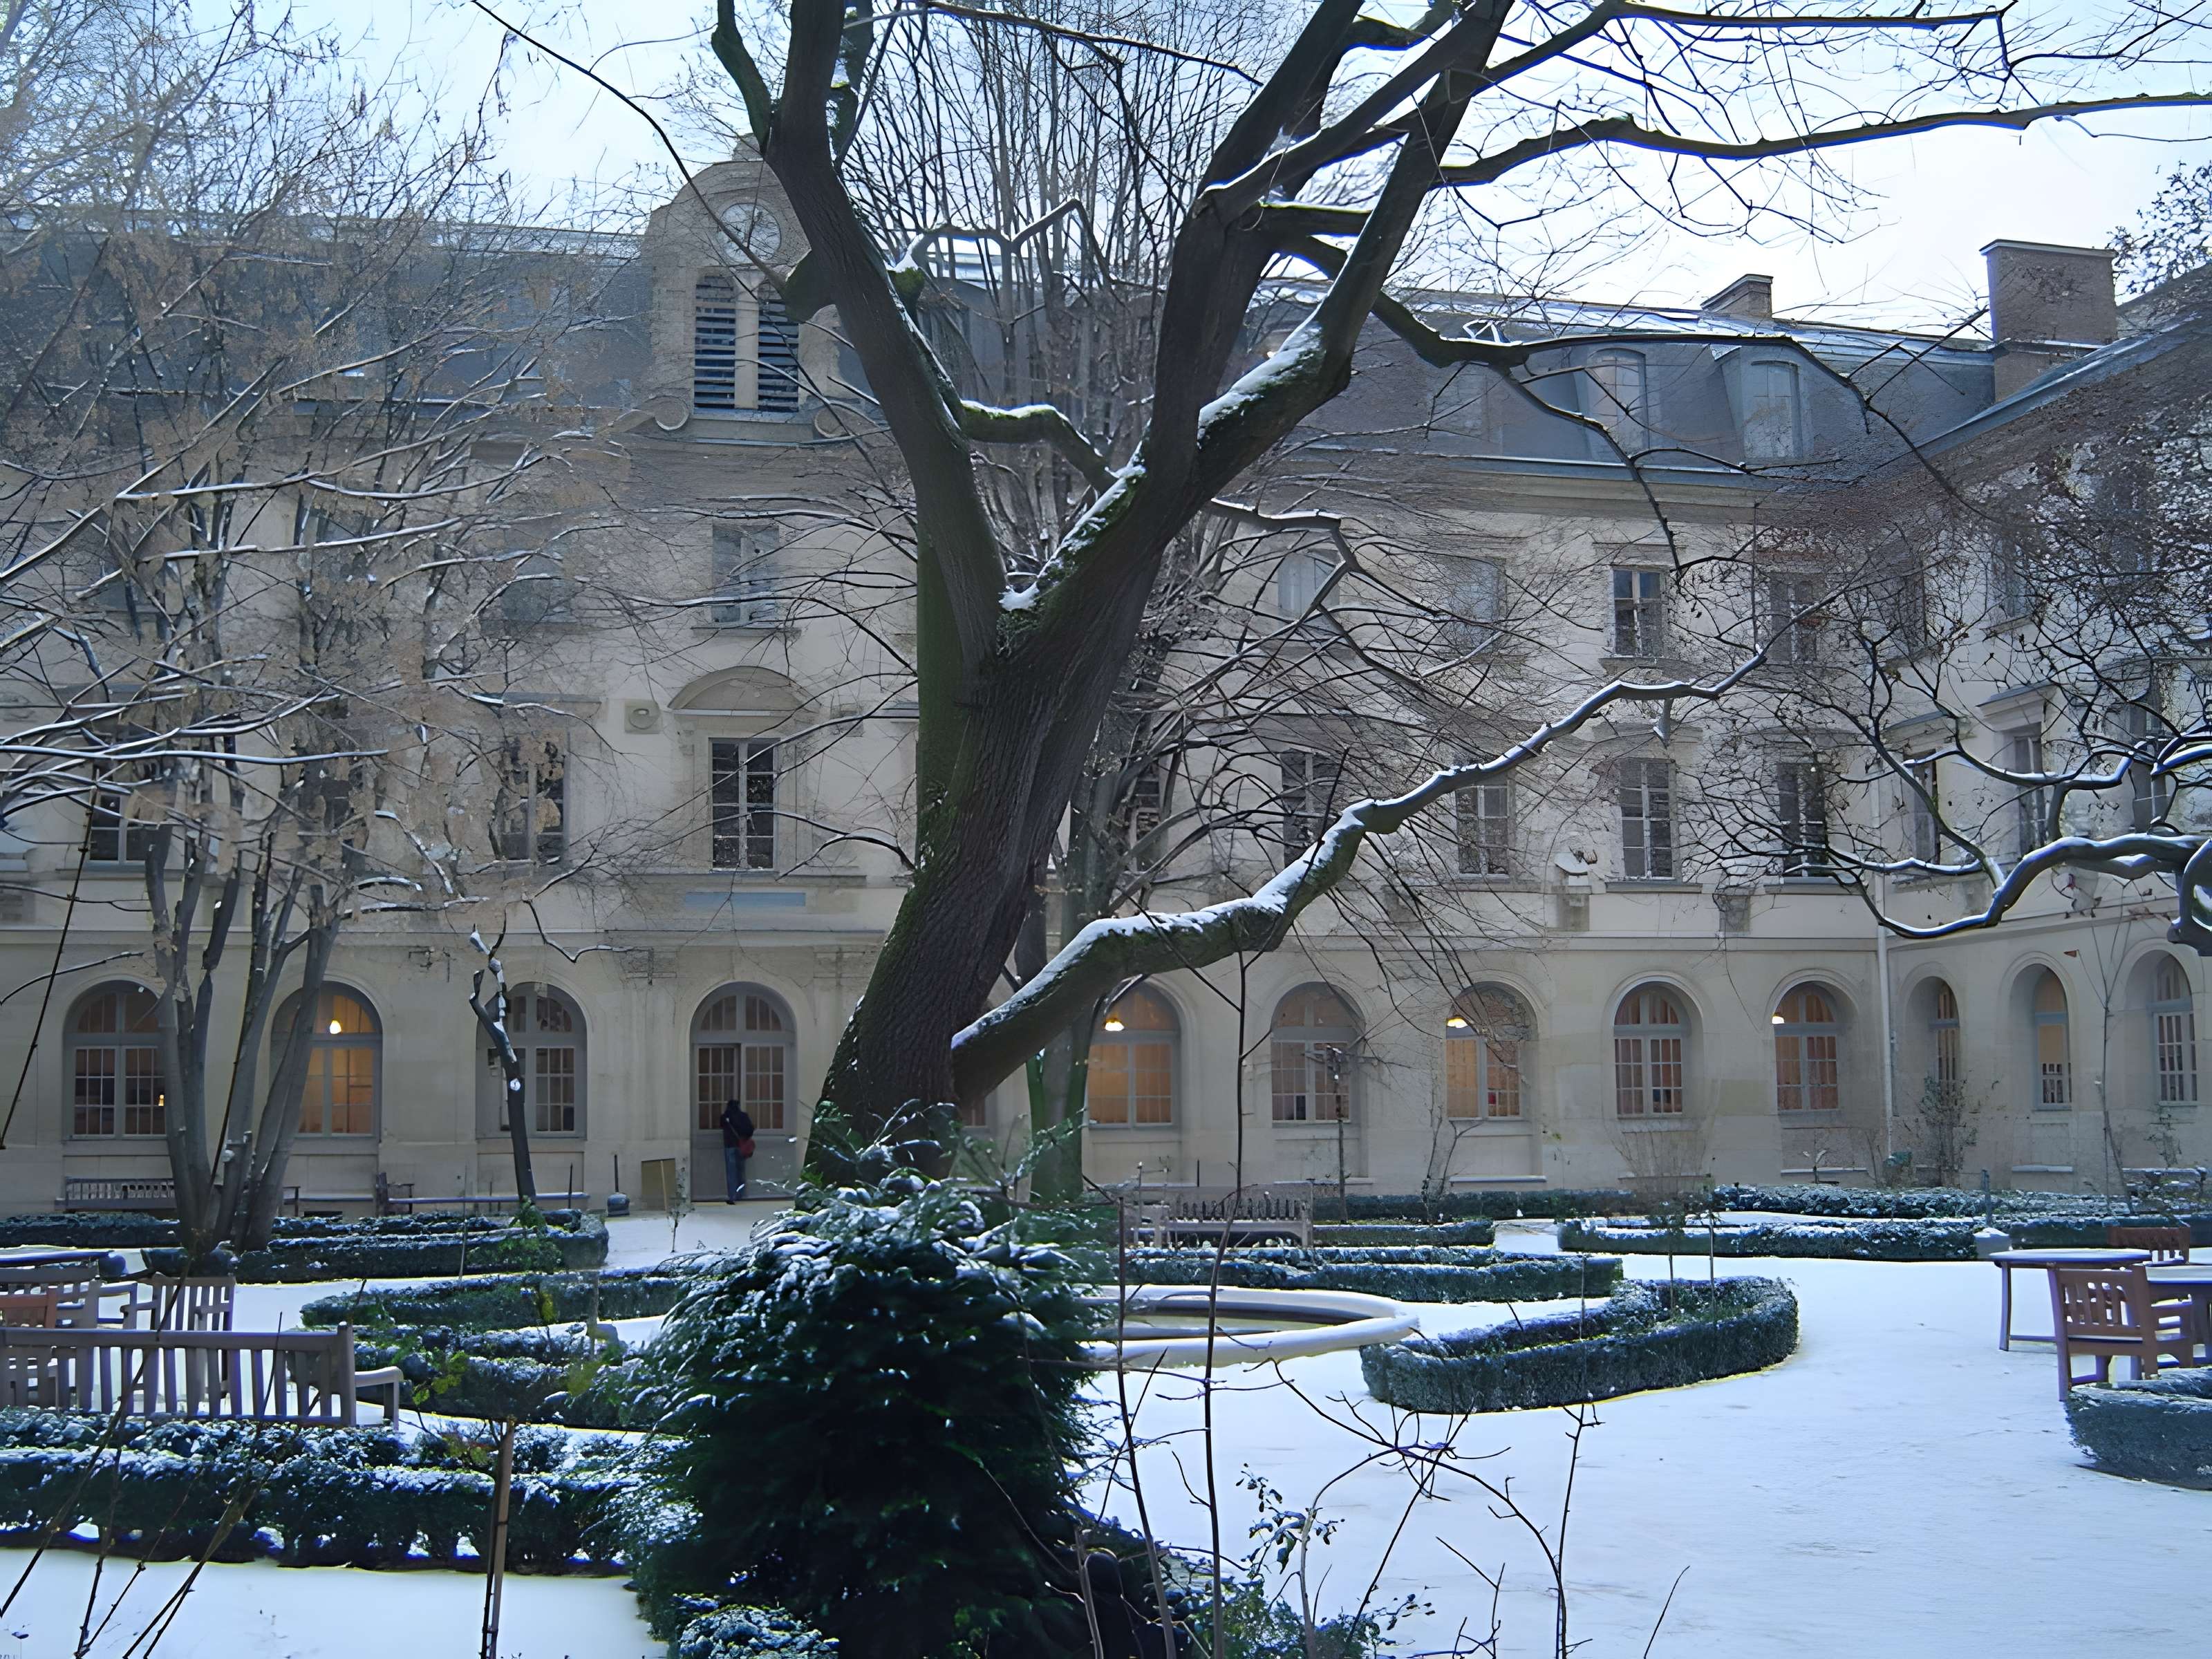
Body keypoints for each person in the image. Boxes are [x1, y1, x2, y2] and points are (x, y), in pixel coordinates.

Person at [718, 1097, 756, 1202]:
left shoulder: (725, 1117)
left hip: (730, 1146)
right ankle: (741, 1195)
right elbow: (751, 1129)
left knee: (731, 1173)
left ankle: (732, 1196)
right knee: (741, 1172)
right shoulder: (744, 1116)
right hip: (742, 1146)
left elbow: (721, 1125)